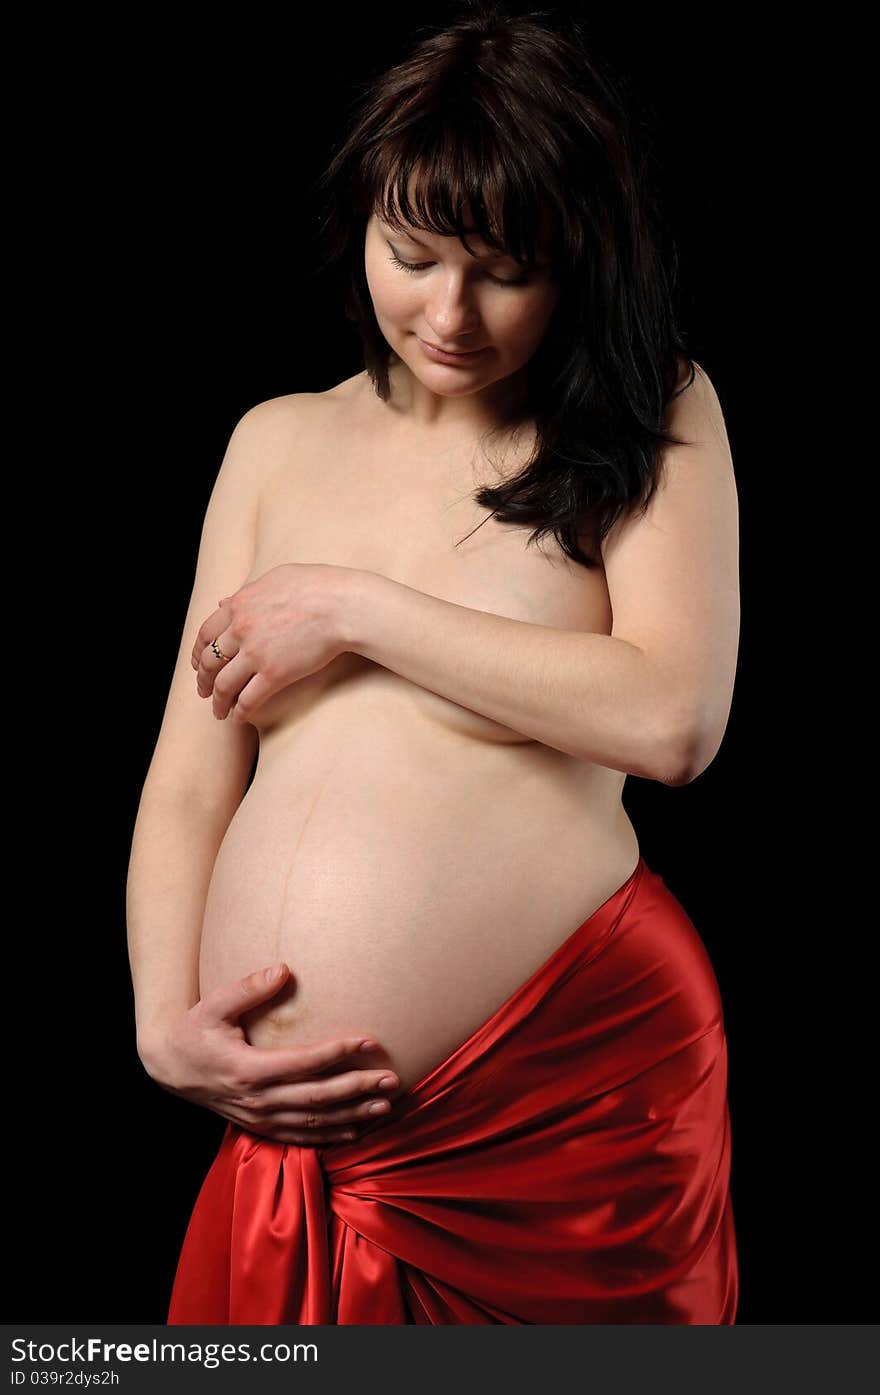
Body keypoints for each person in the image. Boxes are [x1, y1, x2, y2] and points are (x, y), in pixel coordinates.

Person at [127, 3, 740, 1324]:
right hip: (293, 1142)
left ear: (577, 260)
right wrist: (159, 1020)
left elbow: (672, 718)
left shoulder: (654, 406)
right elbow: (189, 783)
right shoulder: (272, 444)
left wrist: (355, 610)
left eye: (505, 271)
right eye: (413, 255)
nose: (449, 312)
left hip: (562, 1109)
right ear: (363, 224)